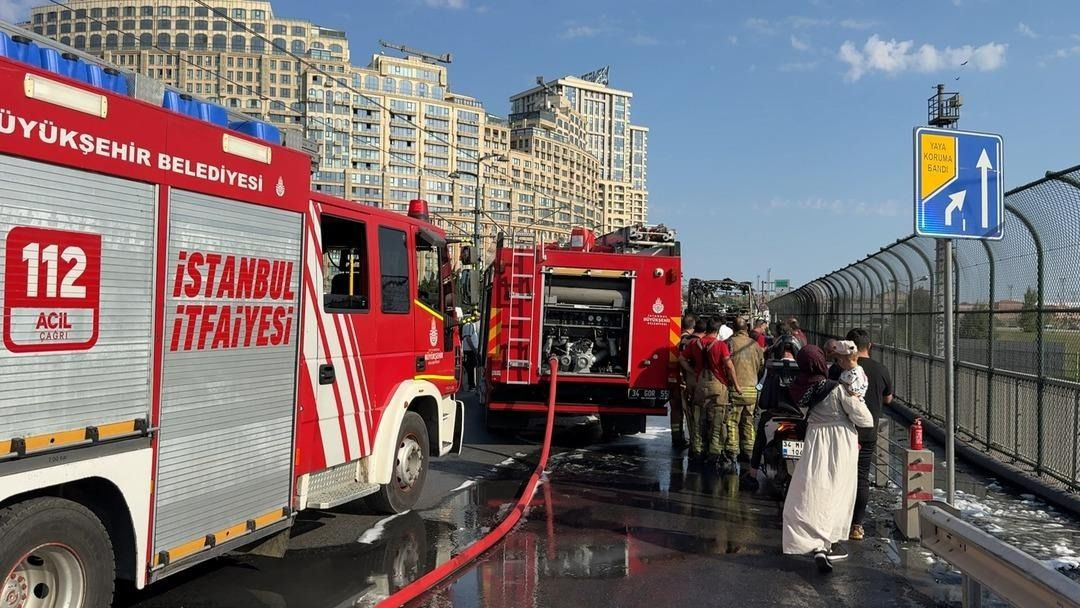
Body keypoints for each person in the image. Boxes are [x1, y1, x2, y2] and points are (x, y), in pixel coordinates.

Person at [782, 345, 873, 573]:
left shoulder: (797, 389)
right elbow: (864, 419)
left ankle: (812, 542)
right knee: (837, 492)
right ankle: (827, 542)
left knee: (813, 490)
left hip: (815, 441)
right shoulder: (836, 388)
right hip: (840, 443)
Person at [828, 328, 893, 541]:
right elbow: (888, 399)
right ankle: (857, 525)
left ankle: (836, 520)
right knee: (862, 477)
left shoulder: (839, 369)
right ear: (870, 346)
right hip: (868, 431)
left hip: (843, 430)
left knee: (838, 474)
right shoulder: (881, 369)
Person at [687, 317, 741, 472]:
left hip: (700, 385)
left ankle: (698, 451)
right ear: (717, 331)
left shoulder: (694, 344)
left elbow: (683, 359)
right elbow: (729, 367)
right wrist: (736, 385)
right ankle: (714, 452)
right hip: (718, 387)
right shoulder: (720, 345)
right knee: (717, 422)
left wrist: (693, 371)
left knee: (698, 420)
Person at [748, 338, 800, 478]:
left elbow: (764, 401)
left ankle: (752, 474)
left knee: (760, 439)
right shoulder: (803, 372)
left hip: (774, 417)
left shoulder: (771, 369)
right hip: (800, 419)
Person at [727, 317, 764, 464]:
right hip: (752, 391)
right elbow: (761, 365)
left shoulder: (730, 343)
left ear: (734, 329)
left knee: (732, 421)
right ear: (746, 329)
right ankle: (749, 451)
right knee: (748, 422)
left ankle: (732, 451)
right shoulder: (755, 345)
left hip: (735, 390)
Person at [679, 317, 708, 458]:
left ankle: (693, 443)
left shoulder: (683, 341)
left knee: (690, 414)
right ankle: (699, 445)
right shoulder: (699, 343)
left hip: (685, 381)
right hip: (698, 381)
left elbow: (680, 360)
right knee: (700, 414)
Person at [670, 313, 698, 450]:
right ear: (693, 326)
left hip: (674, 379)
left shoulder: (674, 338)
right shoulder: (689, 341)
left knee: (675, 409)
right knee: (689, 412)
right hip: (685, 380)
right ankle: (693, 441)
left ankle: (677, 438)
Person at [460, 314, 480, 391]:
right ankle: (471, 385)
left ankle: (471, 385)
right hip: (470, 351)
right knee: (470, 368)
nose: (477, 317)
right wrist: (475, 350)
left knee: (470, 368)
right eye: (476, 316)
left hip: (469, 350)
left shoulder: (468, 325)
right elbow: (468, 338)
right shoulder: (469, 325)